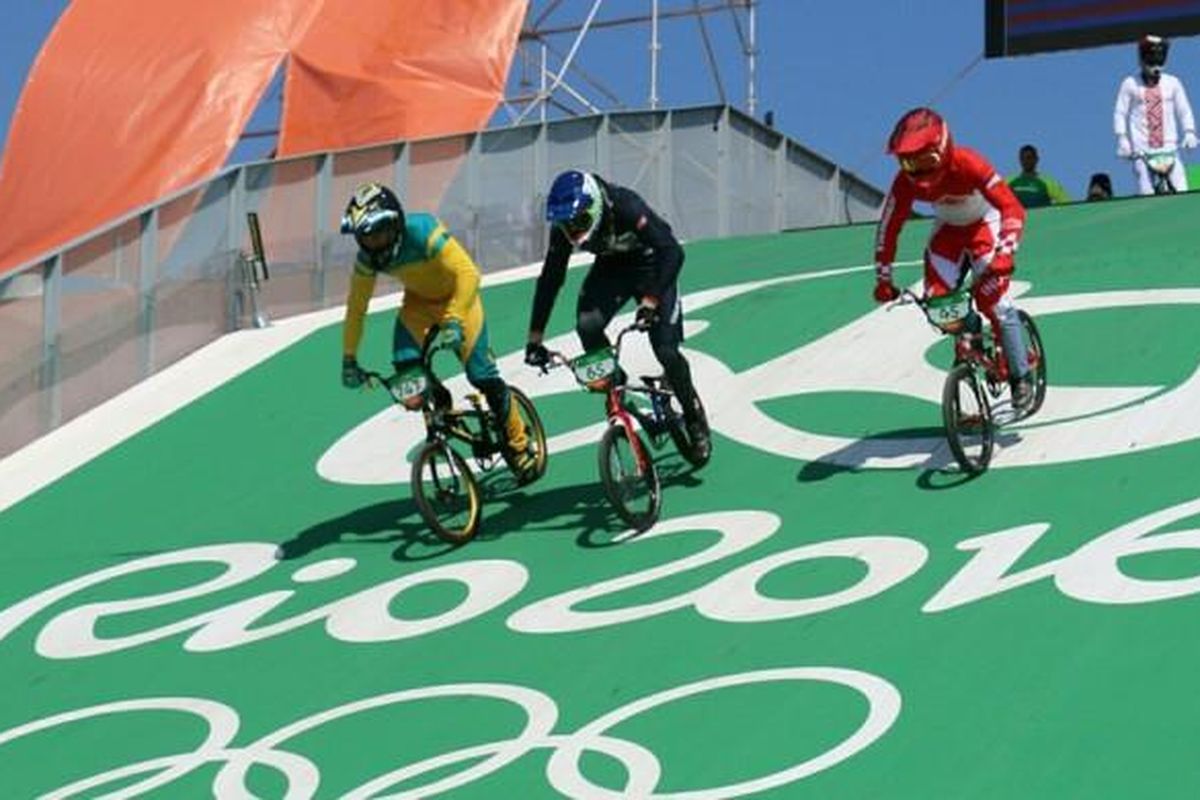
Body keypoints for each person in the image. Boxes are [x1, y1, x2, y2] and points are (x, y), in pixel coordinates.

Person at [338, 181, 540, 482]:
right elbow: (356, 309)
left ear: (395, 223)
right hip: (418, 305)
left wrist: (455, 320)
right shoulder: (367, 260)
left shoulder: (423, 231)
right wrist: (349, 358)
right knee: (407, 370)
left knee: (481, 376)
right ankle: (439, 403)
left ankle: (518, 442)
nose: (374, 244)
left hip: (459, 301)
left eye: (379, 233)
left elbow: (469, 274)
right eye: (366, 238)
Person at [523, 169, 711, 457]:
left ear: (595, 206)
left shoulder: (626, 205)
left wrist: (650, 300)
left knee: (666, 351)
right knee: (587, 325)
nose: (574, 232)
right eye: (567, 225)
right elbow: (550, 279)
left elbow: (672, 251)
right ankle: (618, 386)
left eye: (580, 222)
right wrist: (535, 339)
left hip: (653, 262)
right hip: (612, 268)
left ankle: (693, 416)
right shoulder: (564, 229)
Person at [872, 107, 1036, 411]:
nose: (918, 171)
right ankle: (969, 330)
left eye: (926, 160)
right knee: (940, 305)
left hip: (985, 226)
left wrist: (1005, 252)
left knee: (994, 302)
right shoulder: (904, 183)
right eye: (909, 162)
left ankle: (1021, 376)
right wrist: (883, 279)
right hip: (947, 233)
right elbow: (888, 228)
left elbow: (1012, 208)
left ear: (943, 149)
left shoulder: (969, 163)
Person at [1114, 34, 1197, 195]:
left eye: (1160, 60)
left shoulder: (1172, 83)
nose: (1156, 66)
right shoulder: (1130, 83)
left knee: (1181, 187)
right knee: (1146, 189)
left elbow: (1183, 109)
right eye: (1152, 60)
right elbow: (1120, 112)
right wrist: (1122, 138)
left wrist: (1189, 132)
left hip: (1170, 149)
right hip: (1142, 151)